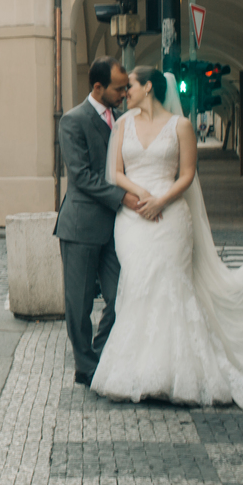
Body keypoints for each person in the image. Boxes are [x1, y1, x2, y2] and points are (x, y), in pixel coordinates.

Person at [91, 66, 243, 408]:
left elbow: (186, 175)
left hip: (170, 215)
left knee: (170, 283)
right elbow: (115, 173)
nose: (127, 92)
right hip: (133, 217)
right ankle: (135, 369)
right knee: (139, 282)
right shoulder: (123, 124)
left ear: (149, 87)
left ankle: (179, 371)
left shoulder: (181, 126)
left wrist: (161, 200)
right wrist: (141, 194)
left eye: (133, 87)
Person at [54, 56, 139, 386]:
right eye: (119, 88)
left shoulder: (120, 119)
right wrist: (123, 197)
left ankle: (101, 353)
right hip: (81, 226)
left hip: (117, 228)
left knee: (121, 296)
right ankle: (85, 366)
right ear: (98, 87)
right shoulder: (72, 121)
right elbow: (81, 176)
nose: (123, 93)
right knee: (80, 302)